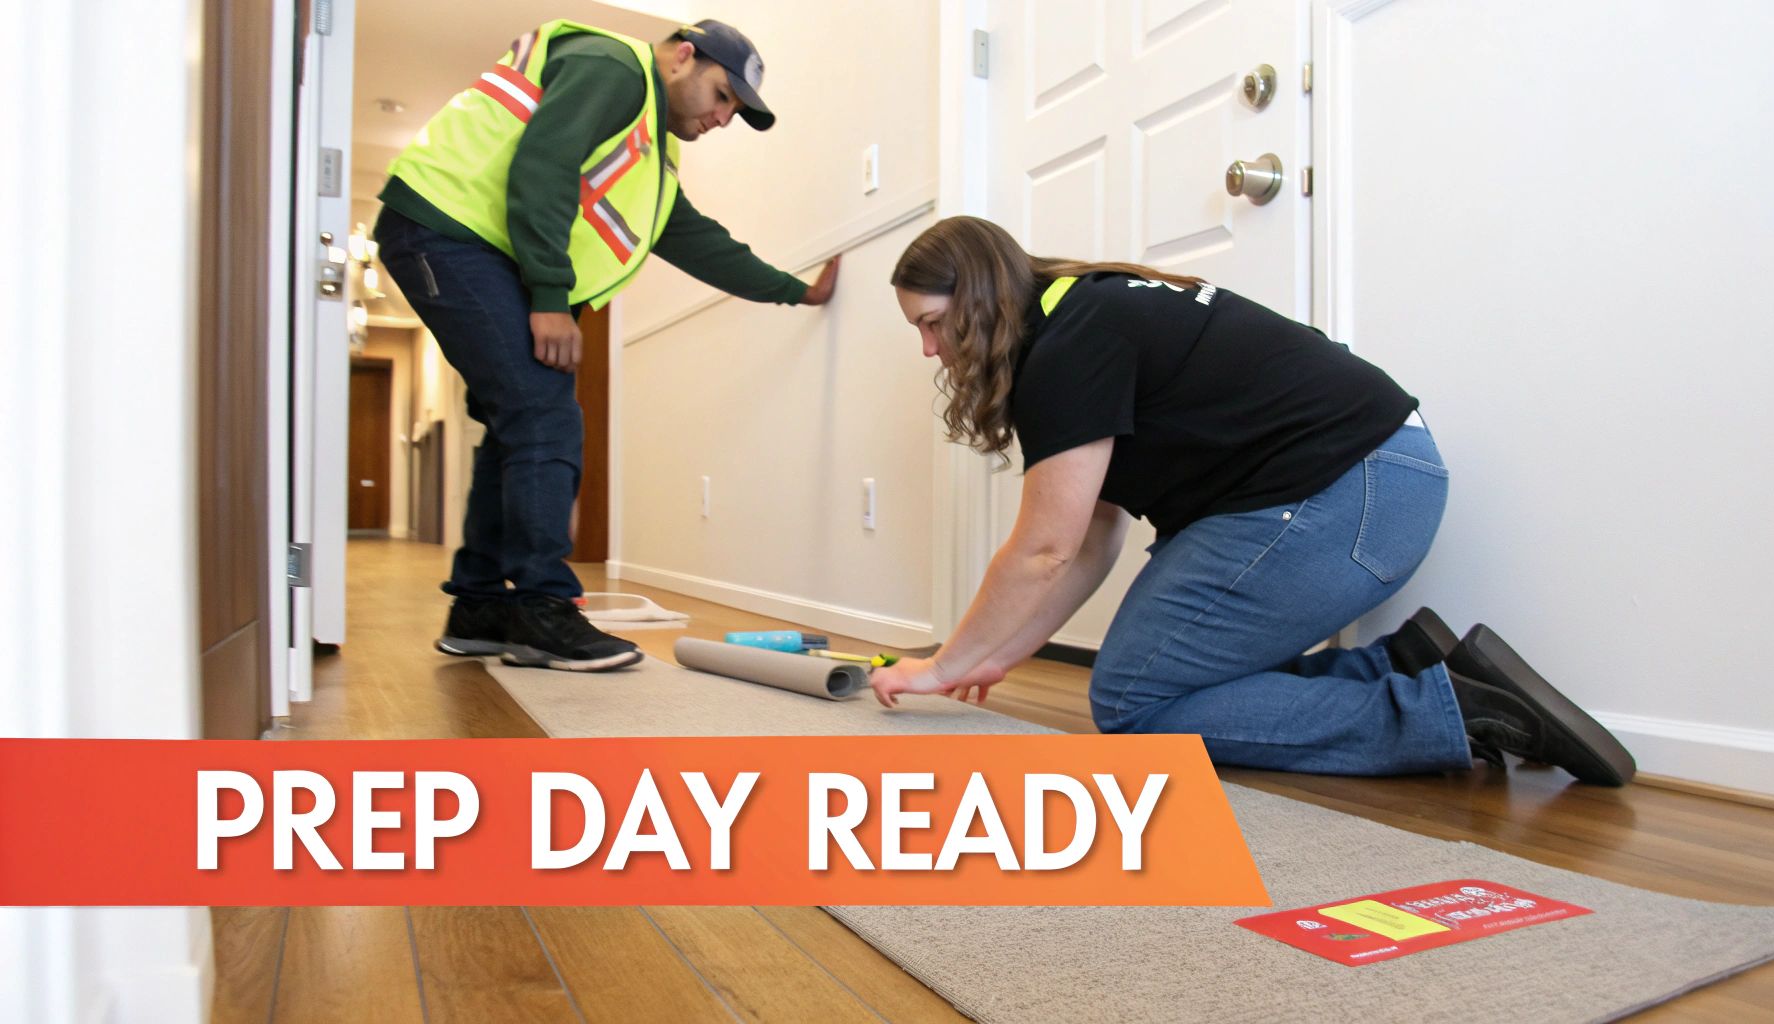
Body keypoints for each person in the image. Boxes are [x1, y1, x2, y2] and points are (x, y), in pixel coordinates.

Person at [869, 216, 1635, 786]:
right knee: (1152, 684)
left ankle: (1455, 712)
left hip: (1347, 492)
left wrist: (944, 664)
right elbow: (1090, 537)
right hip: (1363, 485)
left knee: (1135, 701)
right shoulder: (1083, 313)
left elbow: (1044, 549)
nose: (931, 351)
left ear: (980, 296)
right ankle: (1404, 667)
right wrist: (1000, 652)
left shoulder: (1072, 345)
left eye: (934, 325)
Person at [374, 19, 839, 672]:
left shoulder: (646, 151)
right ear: (684, 57)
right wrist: (548, 296)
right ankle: (542, 610)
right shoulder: (615, 69)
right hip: (443, 226)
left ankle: (480, 607)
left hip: (464, 240)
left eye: (736, 108)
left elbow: (699, 242)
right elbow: (545, 164)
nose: (725, 117)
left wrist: (796, 292)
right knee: (542, 410)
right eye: (723, 95)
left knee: (519, 421)